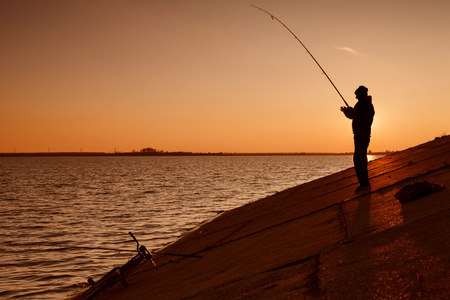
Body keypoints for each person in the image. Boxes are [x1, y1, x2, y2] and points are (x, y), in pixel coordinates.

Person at [341, 85, 375, 192]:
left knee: (359, 160)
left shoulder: (364, 105)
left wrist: (348, 112)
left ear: (361, 95)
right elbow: (355, 115)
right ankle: (364, 184)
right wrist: (348, 112)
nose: (355, 97)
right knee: (360, 159)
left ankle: (364, 184)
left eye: (357, 95)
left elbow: (356, 116)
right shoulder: (365, 104)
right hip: (361, 135)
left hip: (361, 135)